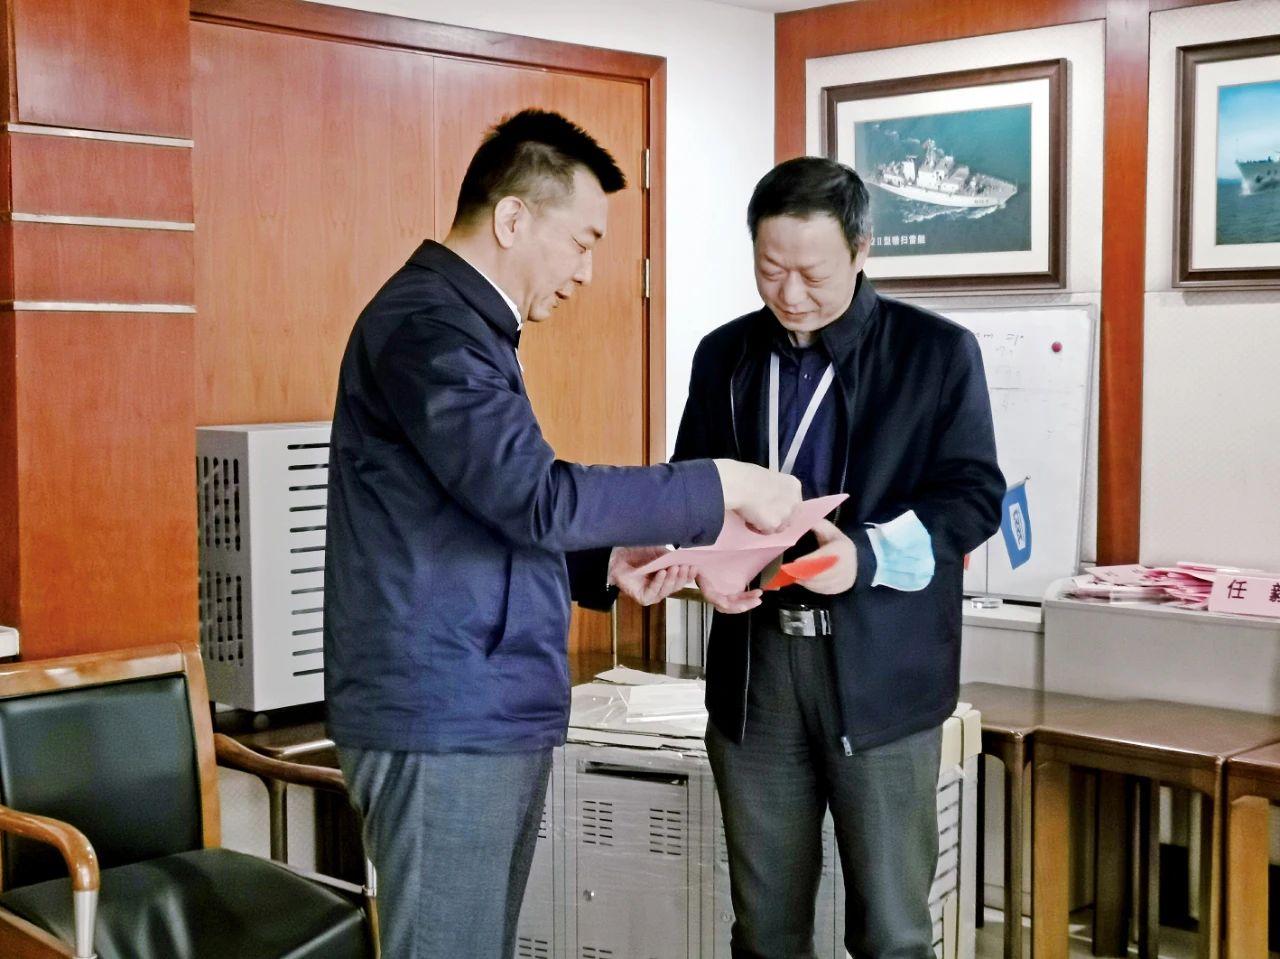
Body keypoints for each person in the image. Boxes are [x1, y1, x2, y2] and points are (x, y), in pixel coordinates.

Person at [322, 109, 800, 959]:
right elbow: (534, 496)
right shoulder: (430, 327)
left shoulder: (467, 327)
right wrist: (722, 482)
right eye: (581, 241)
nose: (586, 271)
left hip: (481, 703)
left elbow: (480, 508)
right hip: (445, 710)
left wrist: (607, 563)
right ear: (513, 218)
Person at [673, 156, 1005, 958]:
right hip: (756, 667)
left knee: (892, 929)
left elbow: (974, 497)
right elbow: (691, 484)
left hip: (881, 667)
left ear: (862, 250)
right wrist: (699, 557)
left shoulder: (936, 353)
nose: (790, 293)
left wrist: (869, 554)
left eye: (813, 273)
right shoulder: (725, 355)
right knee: (764, 928)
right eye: (770, 268)